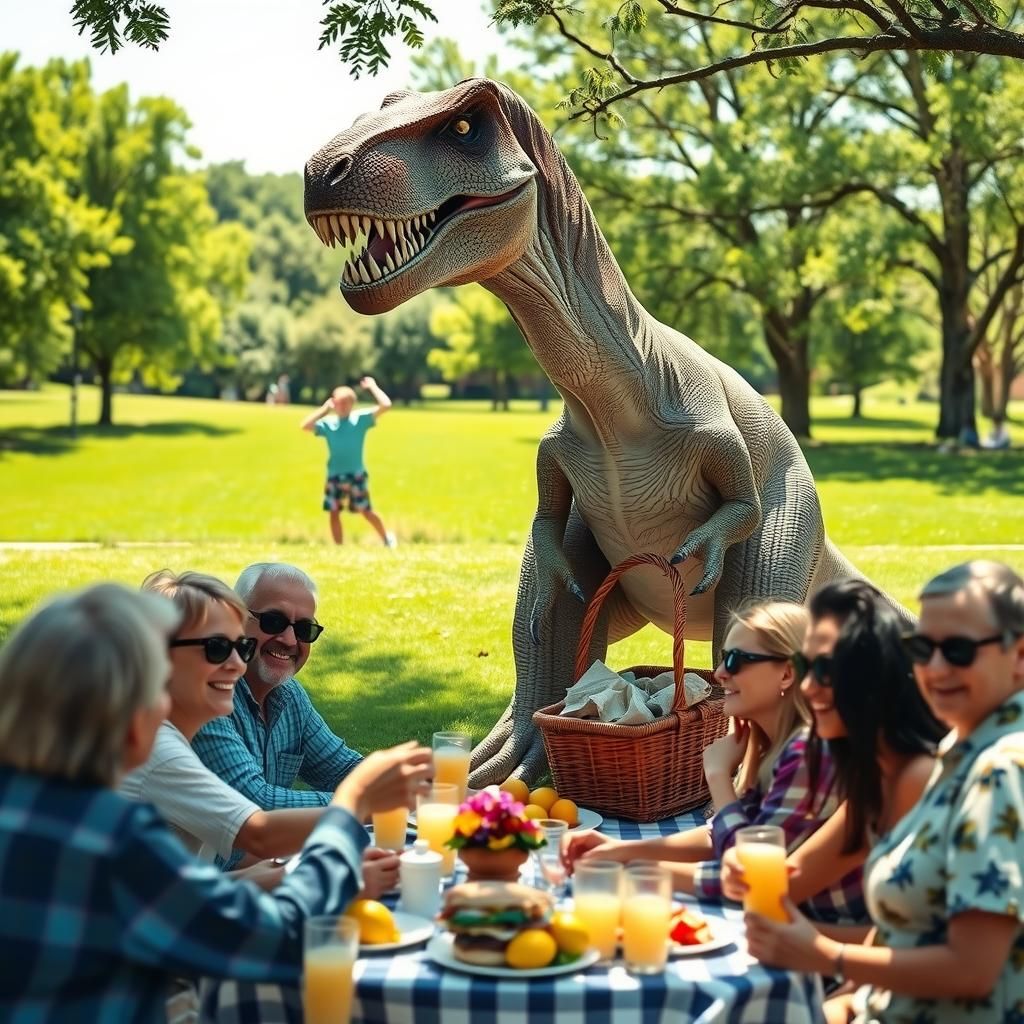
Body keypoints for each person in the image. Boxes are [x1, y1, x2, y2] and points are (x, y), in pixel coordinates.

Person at [0, 582, 432, 1022]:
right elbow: (271, 941)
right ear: (131, 718)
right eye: (155, 692)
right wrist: (350, 805)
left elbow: (173, 905)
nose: (237, 663)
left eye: (241, 647)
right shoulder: (112, 836)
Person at [743, 566, 1024, 1023]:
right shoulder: (960, 752)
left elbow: (973, 970)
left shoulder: (1000, 769)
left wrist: (826, 955)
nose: (934, 669)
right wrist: (847, 1002)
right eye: (922, 648)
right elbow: (904, 934)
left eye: (957, 650)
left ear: (1019, 655)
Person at [562, 600, 866, 930]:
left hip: (823, 947)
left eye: (736, 660)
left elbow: (750, 877)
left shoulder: (809, 754)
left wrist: (718, 777)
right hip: (787, 931)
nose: (720, 672)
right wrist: (620, 851)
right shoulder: (774, 748)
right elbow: (720, 836)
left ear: (787, 673)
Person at [122, 569, 397, 896]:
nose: (237, 664)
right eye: (216, 648)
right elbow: (258, 828)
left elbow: (185, 889)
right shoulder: (160, 746)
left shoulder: (177, 728)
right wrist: (368, 801)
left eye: (240, 647)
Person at [301, 376, 397, 547]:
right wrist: (324, 410)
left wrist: (373, 387)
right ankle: (339, 547)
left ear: (352, 404)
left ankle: (386, 539)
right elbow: (305, 426)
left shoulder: (360, 420)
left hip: (356, 475)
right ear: (334, 403)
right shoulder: (328, 424)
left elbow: (386, 405)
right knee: (334, 512)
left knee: (365, 511)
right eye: (339, 403)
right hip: (334, 476)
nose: (342, 407)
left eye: (346, 403)